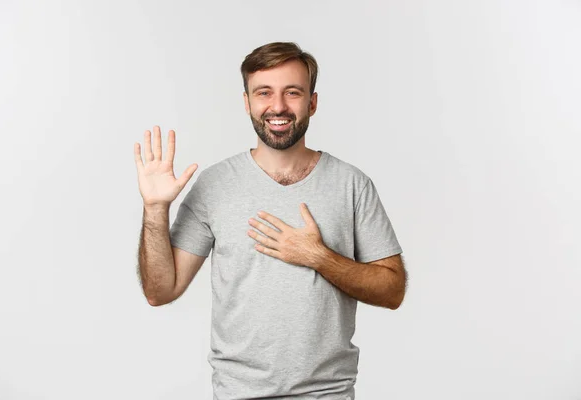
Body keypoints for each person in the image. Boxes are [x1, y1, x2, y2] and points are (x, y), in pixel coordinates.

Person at [135, 42, 407, 400]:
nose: (277, 106)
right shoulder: (215, 185)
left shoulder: (351, 184)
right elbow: (160, 291)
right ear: (247, 102)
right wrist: (155, 208)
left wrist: (318, 257)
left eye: (292, 93)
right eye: (264, 93)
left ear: (312, 102)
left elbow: (392, 290)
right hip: (238, 394)